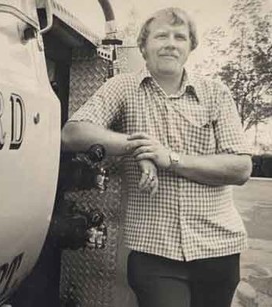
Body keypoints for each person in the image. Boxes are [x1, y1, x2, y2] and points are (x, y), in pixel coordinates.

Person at [61, 7, 252, 307]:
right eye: (161, 35)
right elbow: (73, 134)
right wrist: (138, 147)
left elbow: (240, 167)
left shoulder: (217, 94)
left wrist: (170, 159)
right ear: (144, 46)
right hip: (154, 252)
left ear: (190, 47)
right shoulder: (123, 87)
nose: (171, 43)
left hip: (219, 247)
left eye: (180, 37)